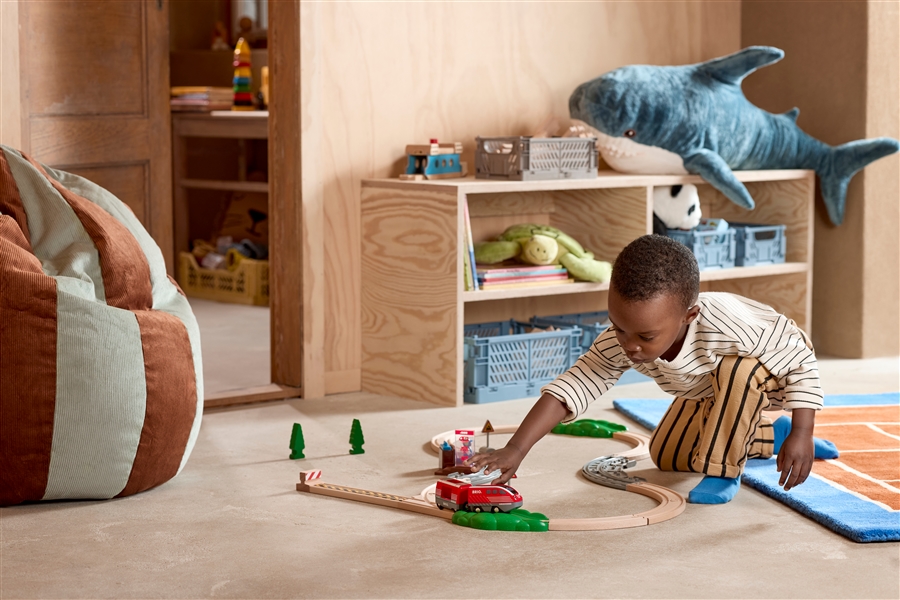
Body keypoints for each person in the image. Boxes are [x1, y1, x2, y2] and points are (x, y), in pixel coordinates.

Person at [466, 234, 838, 504]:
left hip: (772, 368)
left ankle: (722, 471)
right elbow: (575, 385)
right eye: (618, 327)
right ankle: (771, 436)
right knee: (668, 455)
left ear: (689, 316)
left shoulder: (727, 325)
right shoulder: (625, 338)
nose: (629, 345)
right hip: (705, 386)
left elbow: (798, 359)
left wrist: (803, 430)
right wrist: (515, 449)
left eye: (645, 336)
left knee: (739, 371)